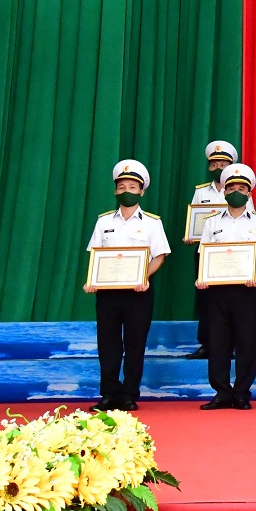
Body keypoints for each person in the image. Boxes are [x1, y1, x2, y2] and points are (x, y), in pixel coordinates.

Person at [84, 160, 171, 411]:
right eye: (121, 187)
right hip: (108, 293)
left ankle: (130, 394)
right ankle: (109, 394)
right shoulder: (103, 222)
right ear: (115, 191)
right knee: (108, 344)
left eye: (132, 187)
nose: (126, 191)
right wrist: (91, 280)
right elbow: (96, 255)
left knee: (135, 344)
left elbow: (160, 256)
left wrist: (144, 277)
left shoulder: (152, 223)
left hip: (138, 293)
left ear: (141, 191)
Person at [197, 164, 256, 410]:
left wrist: (254, 274)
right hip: (217, 290)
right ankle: (221, 391)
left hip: (246, 289)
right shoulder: (212, 222)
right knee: (218, 341)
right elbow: (204, 253)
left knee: (246, 341)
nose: (236, 192)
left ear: (249, 193)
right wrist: (203, 276)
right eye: (231, 188)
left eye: (241, 188)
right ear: (224, 192)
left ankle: (241, 392)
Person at [186, 140, 247, 360]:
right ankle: (207, 344)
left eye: (223, 164)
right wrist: (190, 235)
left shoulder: (240, 191)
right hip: (206, 253)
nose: (218, 168)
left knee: (234, 301)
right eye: (214, 164)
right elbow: (194, 222)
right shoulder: (201, 192)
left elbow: (250, 222)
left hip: (235, 254)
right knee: (205, 299)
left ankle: (232, 345)